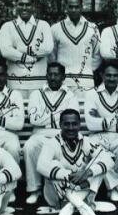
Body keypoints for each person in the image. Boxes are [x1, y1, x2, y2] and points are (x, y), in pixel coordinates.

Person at [36, 109, 114, 215]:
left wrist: (87, 173)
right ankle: (83, 209)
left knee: (98, 163)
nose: (71, 128)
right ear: (60, 125)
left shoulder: (86, 141)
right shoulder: (51, 143)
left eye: (74, 124)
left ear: (79, 125)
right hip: (57, 199)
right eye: (66, 124)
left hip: (81, 191)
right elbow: (41, 166)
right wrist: (69, 175)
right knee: (53, 164)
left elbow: (109, 159)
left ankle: (70, 208)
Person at [24, 62, 79, 205]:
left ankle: (62, 188)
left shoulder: (70, 95)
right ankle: (34, 189)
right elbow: (34, 119)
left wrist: (46, 117)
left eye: (57, 74)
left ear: (63, 77)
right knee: (30, 146)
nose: (53, 77)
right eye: (50, 74)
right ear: (46, 75)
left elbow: (71, 118)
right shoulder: (37, 94)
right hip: (40, 134)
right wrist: (59, 115)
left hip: (61, 134)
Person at [85, 59, 118, 203]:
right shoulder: (92, 94)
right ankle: (116, 187)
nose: (112, 78)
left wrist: (102, 119)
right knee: (98, 152)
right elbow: (90, 125)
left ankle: (112, 187)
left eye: (115, 75)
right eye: (108, 75)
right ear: (102, 75)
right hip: (97, 136)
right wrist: (116, 120)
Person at [0, 0, 53, 98]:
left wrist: (20, 49)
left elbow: (48, 48)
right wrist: (30, 58)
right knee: (16, 113)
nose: (24, 8)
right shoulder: (7, 26)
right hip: (15, 83)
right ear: (16, 6)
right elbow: (6, 51)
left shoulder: (43, 25)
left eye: (28, 5)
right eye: (21, 4)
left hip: (39, 82)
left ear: (33, 7)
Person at [50, 0, 101, 98]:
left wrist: (87, 69)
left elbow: (98, 54)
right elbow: (52, 55)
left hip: (86, 81)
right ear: (66, 8)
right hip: (63, 81)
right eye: (71, 7)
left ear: (82, 7)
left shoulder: (93, 28)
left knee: (85, 111)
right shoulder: (55, 28)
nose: (73, 10)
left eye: (76, 7)